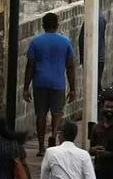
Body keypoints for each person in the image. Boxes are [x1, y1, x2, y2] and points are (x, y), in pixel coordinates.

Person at [24, 11, 77, 156]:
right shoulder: (65, 42)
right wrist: (73, 89)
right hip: (58, 83)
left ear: (43, 25)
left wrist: (25, 88)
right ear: (57, 25)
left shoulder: (36, 42)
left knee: (40, 115)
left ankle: (41, 146)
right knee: (57, 113)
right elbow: (70, 66)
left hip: (39, 82)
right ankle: (53, 136)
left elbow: (30, 65)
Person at [76, 10, 107, 91]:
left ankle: (99, 101)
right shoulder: (100, 18)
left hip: (93, 58)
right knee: (96, 83)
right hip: (98, 57)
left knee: (94, 84)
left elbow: (83, 39)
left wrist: (84, 59)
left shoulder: (93, 19)